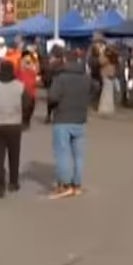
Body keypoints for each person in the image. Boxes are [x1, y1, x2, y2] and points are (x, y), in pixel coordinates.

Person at [48, 51, 94, 199]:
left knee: (62, 153)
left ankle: (64, 185)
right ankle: (77, 185)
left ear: (65, 61)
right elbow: (95, 88)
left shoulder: (60, 78)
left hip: (63, 118)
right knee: (78, 155)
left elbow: (52, 97)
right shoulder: (86, 78)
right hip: (80, 119)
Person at [0, 60, 29, 198]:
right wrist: (25, 120)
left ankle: (0, 186)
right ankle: (13, 182)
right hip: (14, 125)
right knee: (14, 155)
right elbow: (28, 104)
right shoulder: (20, 86)